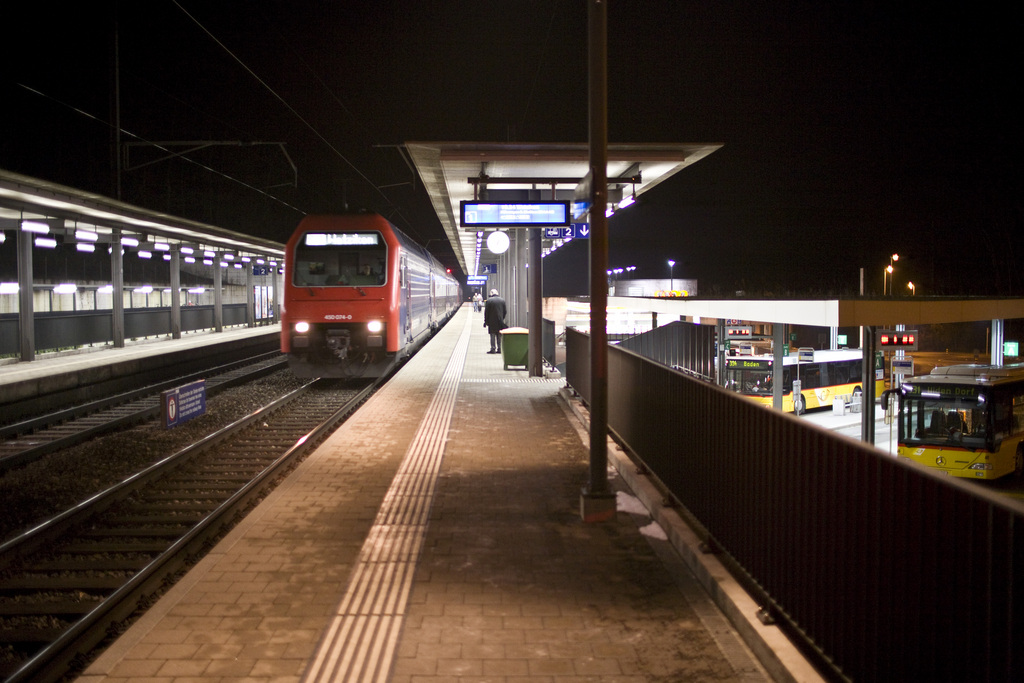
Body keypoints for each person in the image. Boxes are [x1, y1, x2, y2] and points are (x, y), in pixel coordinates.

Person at [483, 288, 507, 354]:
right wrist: (502, 318)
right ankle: (499, 349)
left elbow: (486, 312)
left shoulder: (489, 301)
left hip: (492, 322)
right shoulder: (502, 300)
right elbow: (505, 311)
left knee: (492, 335)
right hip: (500, 321)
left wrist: (486, 321)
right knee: (499, 335)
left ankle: (493, 349)